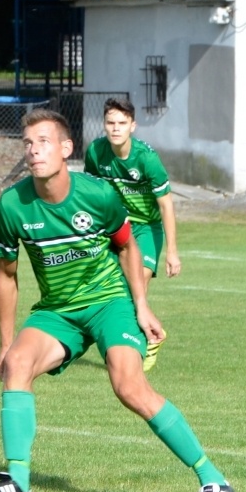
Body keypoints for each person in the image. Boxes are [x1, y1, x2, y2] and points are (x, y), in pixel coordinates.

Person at [0, 109, 234, 492]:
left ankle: (213, 479)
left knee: (129, 387)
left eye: (43, 142)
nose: (34, 150)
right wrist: (5, 343)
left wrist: (141, 307)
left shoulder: (97, 194)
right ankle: (18, 484)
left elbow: (128, 245)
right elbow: (7, 275)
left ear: (65, 148)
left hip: (110, 301)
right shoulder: (12, 205)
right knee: (17, 364)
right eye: (27, 143)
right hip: (58, 310)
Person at [82, 97, 180, 371]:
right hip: (115, 226)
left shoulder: (146, 158)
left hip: (146, 228)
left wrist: (172, 251)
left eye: (122, 123)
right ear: (104, 125)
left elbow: (166, 204)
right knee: (110, 286)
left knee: (138, 284)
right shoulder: (96, 152)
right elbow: (92, 194)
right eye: (111, 123)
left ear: (132, 126)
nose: (116, 128)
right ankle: (124, 342)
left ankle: (144, 342)